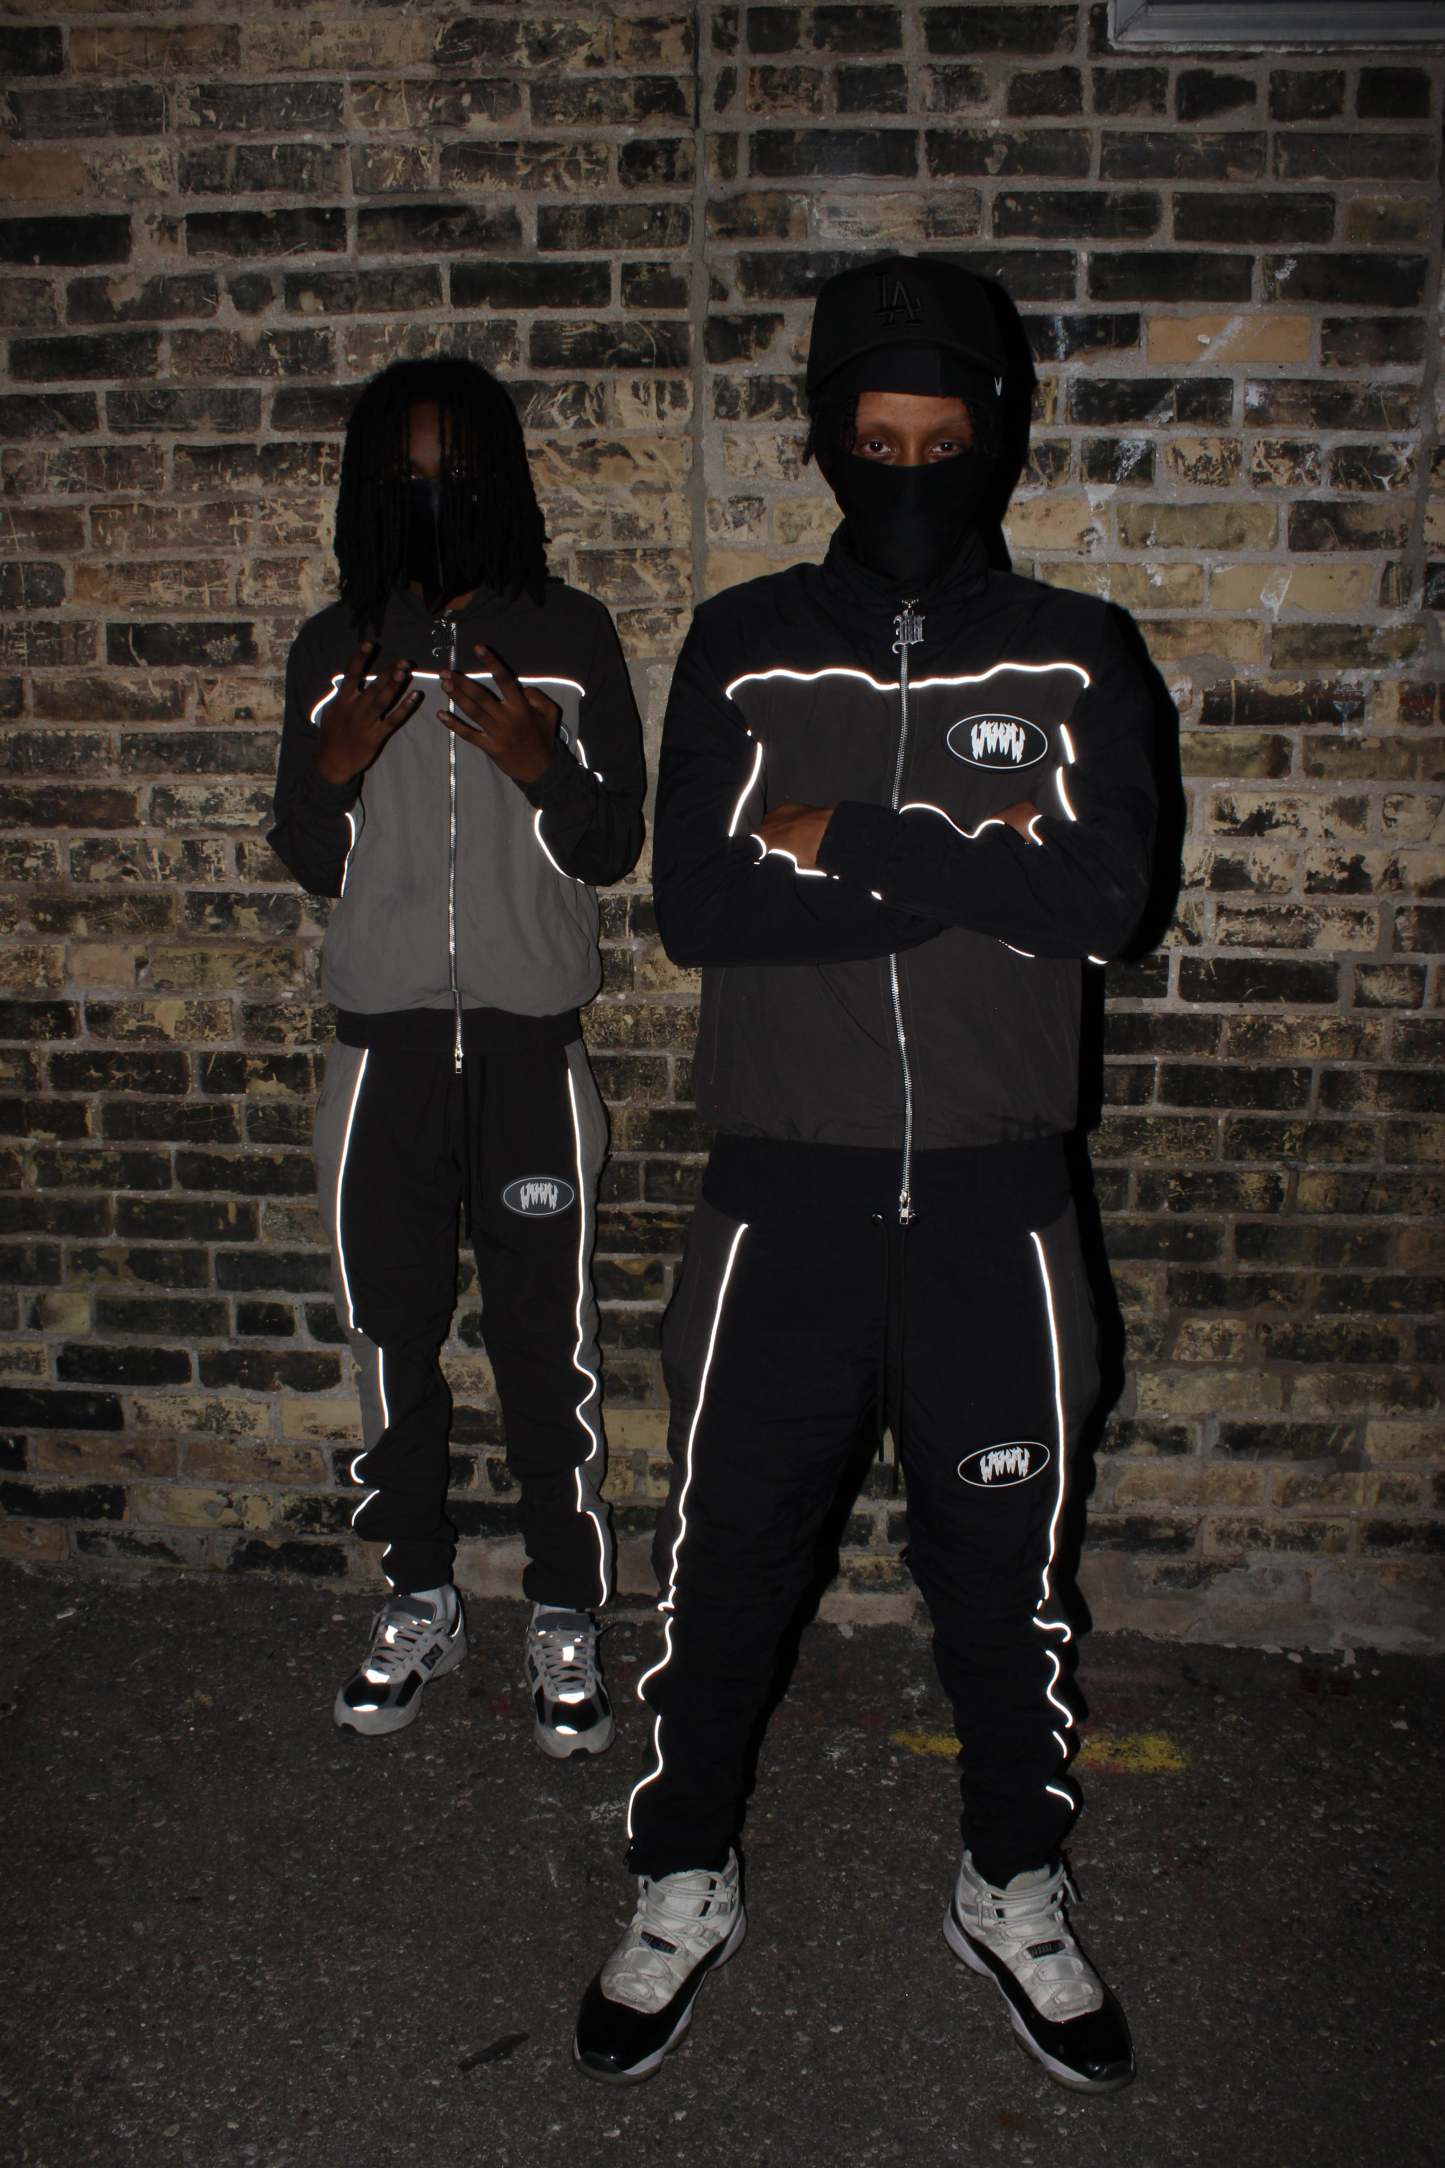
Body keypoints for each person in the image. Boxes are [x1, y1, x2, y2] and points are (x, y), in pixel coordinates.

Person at [572, 256, 1157, 2090]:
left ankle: (1012, 1881)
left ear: (994, 440)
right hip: (784, 1202)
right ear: (827, 440)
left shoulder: (1078, 651)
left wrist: (850, 835)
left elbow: (1105, 901)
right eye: (875, 439)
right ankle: (679, 1873)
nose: (908, 469)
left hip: (1000, 1206)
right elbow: (697, 905)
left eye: (940, 438)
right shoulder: (745, 640)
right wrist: (978, 855)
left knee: (1006, 1576)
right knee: (728, 1564)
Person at [268, 356, 645, 1757]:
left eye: (460, 471)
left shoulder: (571, 634)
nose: (435, 495)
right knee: (393, 1337)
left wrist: (547, 766)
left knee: (548, 1343)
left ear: (503, 479)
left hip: (532, 1048)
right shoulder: (336, 644)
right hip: (384, 1056)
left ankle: (564, 1605)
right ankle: (416, 1592)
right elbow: (310, 857)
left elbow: (612, 844)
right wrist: (331, 769)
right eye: (407, 475)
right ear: (372, 487)